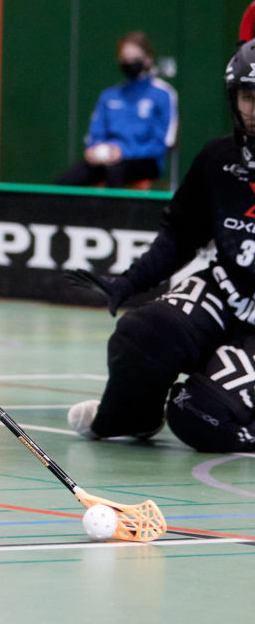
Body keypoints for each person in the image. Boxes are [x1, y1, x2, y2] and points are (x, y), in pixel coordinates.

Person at [67, 38, 255, 451]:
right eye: (247, 96)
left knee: (197, 414)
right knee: (141, 332)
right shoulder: (217, 159)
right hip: (225, 294)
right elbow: (181, 234)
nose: (254, 110)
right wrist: (129, 282)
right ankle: (130, 418)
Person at [57, 30, 178, 188]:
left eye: (134, 58)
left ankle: (113, 214)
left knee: (116, 171)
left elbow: (164, 141)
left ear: (148, 60)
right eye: (125, 59)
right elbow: (95, 134)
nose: (129, 63)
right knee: (68, 180)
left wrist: (123, 152)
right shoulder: (109, 96)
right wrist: (95, 150)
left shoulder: (163, 94)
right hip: (107, 159)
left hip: (144, 161)